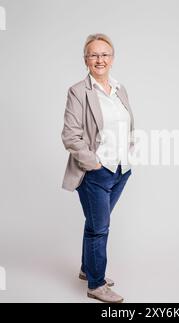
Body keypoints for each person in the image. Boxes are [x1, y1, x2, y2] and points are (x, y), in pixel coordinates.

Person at [61, 33, 135, 303]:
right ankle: (96, 283)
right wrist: (94, 164)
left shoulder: (120, 89)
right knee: (99, 227)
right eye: (94, 54)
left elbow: (127, 123)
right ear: (86, 60)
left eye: (105, 54)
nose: (100, 59)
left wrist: (129, 149)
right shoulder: (78, 91)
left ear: (112, 59)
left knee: (95, 224)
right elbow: (70, 135)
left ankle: (86, 268)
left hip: (121, 170)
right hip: (96, 172)